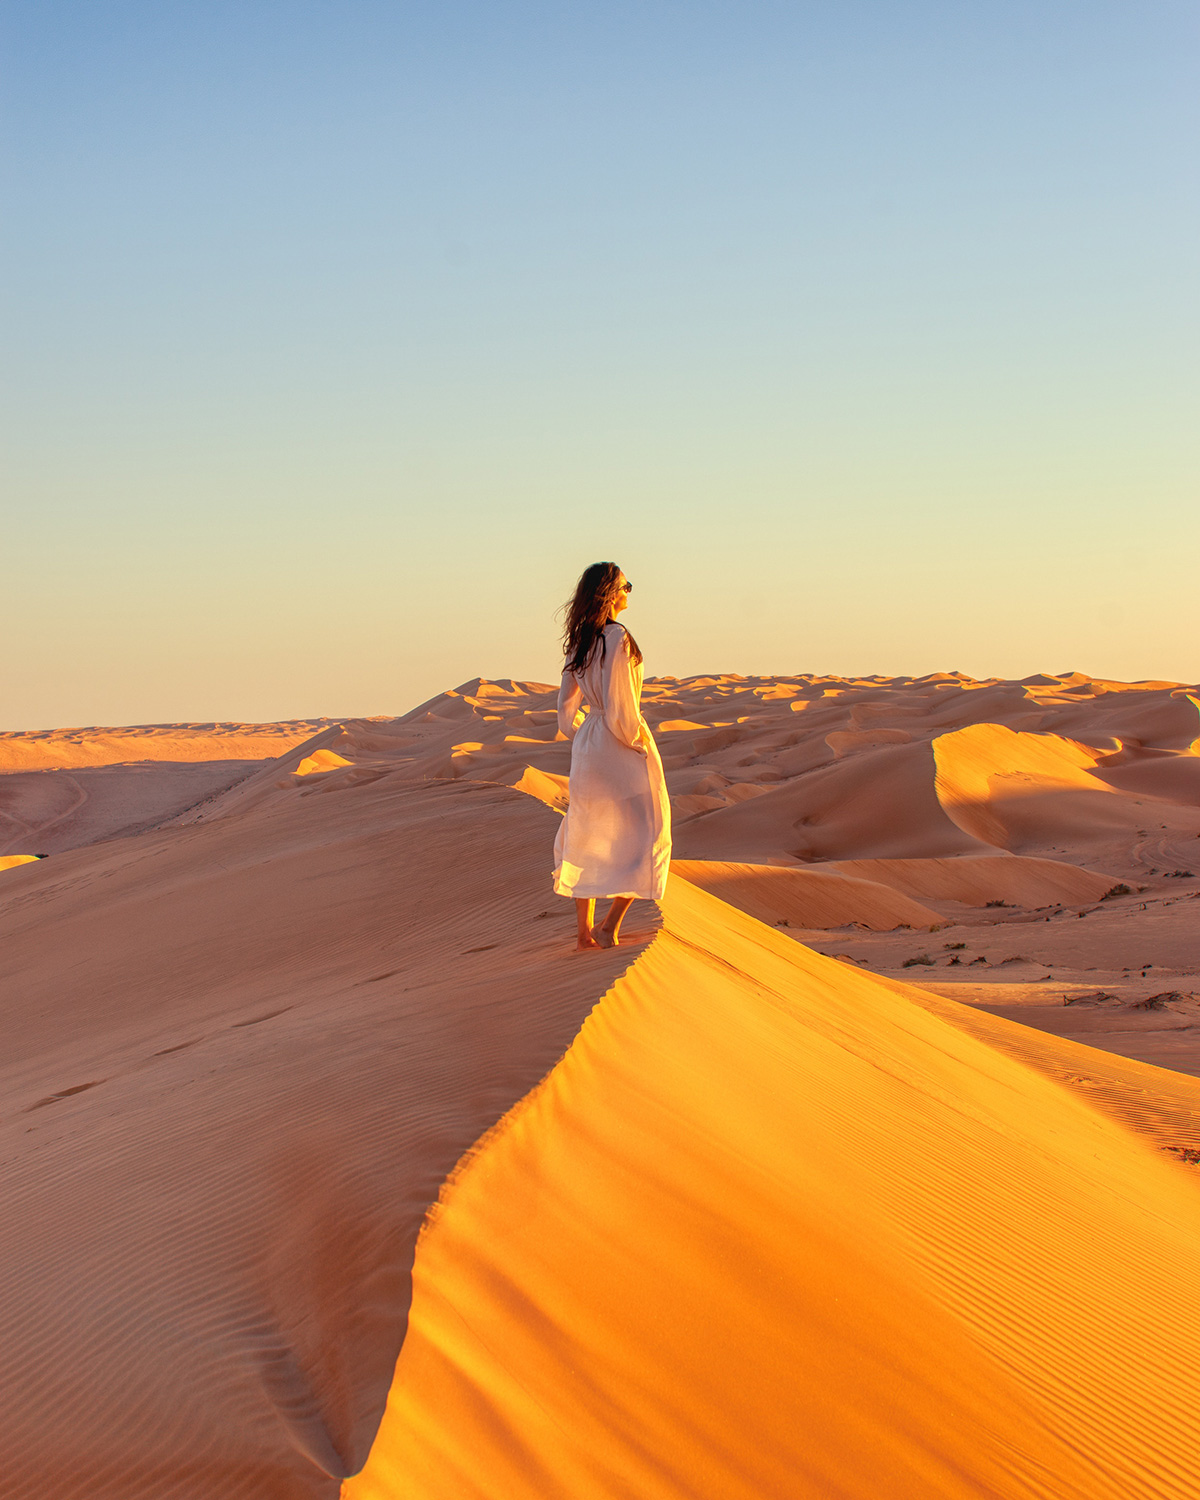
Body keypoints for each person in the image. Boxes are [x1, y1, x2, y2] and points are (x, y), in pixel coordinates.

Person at [553, 562, 672, 950]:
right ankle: (609, 926)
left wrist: (583, 733)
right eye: (626, 586)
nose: (628, 592)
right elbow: (622, 707)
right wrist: (636, 743)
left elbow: (565, 710)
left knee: (586, 831)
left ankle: (584, 934)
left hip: (589, 744)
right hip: (619, 742)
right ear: (610, 592)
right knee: (649, 831)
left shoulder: (580, 641)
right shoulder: (617, 636)